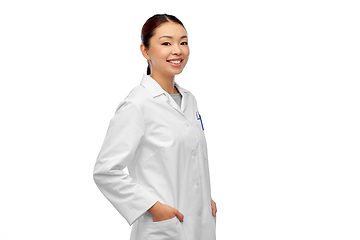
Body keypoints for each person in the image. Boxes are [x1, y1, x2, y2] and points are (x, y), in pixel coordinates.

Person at [93, 13, 217, 240]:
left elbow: (186, 157)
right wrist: (153, 207)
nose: (177, 50)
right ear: (145, 51)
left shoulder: (189, 99)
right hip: (164, 229)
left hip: (199, 225)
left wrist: (202, 196)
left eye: (183, 42)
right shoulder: (137, 104)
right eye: (166, 43)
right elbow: (105, 170)